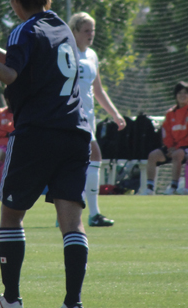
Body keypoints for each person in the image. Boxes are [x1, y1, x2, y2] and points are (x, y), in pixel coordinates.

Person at [0, 0, 92, 308]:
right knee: (72, 222)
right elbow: (20, 59)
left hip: (37, 134)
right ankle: (73, 303)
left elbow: (12, 73)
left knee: (11, 216)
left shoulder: (23, 29)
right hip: (74, 133)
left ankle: (12, 299)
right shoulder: (61, 27)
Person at [69, 12, 125, 227]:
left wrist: (115, 114)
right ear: (74, 31)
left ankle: (65, 214)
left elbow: (98, 90)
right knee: (94, 157)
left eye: (92, 30)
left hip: (88, 118)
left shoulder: (92, 55)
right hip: (72, 118)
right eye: (86, 30)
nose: (91, 34)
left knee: (76, 166)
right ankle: (93, 214)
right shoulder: (67, 53)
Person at [141, 81, 188, 195]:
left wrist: (176, 148)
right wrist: (170, 147)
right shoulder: (170, 113)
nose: (182, 96)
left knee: (177, 154)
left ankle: (173, 187)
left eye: (185, 93)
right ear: (175, 95)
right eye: (179, 93)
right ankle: (149, 188)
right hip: (172, 149)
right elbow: (166, 133)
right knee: (153, 155)